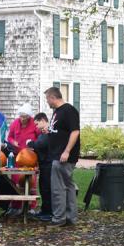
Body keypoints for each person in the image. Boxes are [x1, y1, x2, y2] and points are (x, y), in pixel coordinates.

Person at [45, 86, 81, 227]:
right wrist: (49, 131)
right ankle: (70, 217)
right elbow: (60, 131)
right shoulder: (57, 112)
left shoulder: (68, 110)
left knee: (58, 187)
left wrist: (66, 151)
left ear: (53, 98)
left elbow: (75, 132)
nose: (47, 101)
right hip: (57, 155)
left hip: (63, 156)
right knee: (68, 185)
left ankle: (59, 218)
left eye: (47, 98)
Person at [5, 103, 41, 215]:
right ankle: (16, 205)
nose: (22, 119)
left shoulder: (33, 124)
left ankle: (31, 206)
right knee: (16, 180)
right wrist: (13, 142)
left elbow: (40, 137)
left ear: (29, 117)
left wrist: (34, 145)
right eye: (21, 116)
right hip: (17, 156)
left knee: (31, 181)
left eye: (25, 117)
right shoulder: (15, 123)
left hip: (30, 156)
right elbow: (9, 137)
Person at [28, 112, 53, 221]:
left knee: (47, 188)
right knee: (43, 188)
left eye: (37, 124)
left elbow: (41, 144)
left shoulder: (49, 132)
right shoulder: (43, 133)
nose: (36, 127)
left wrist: (31, 144)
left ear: (43, 121)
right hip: (43, 165)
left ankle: (49, 212)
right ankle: (44, 209)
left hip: (49, 164)